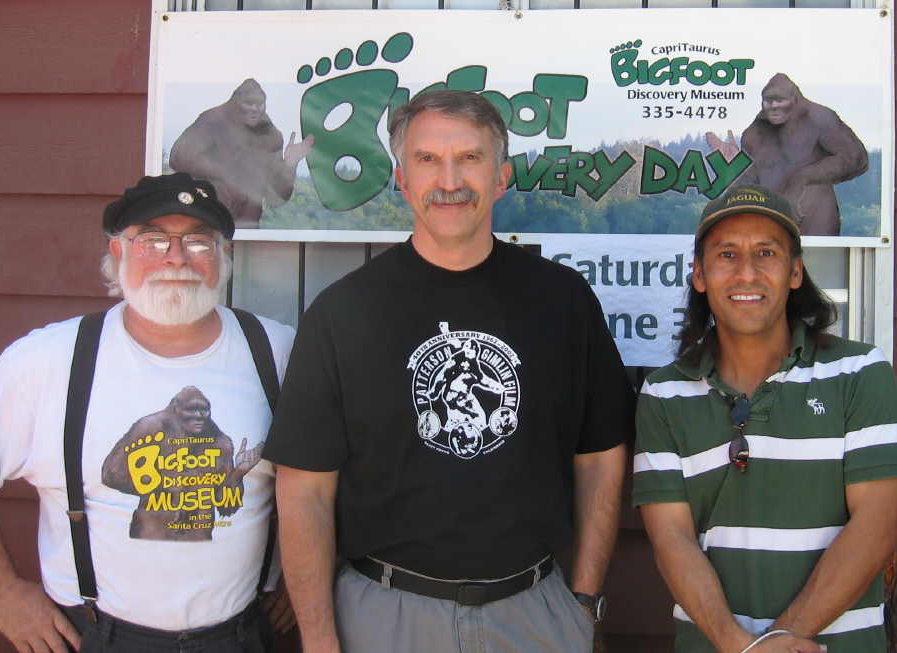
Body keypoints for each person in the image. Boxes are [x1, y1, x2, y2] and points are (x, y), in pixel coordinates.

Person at [264, 90, 634, 653]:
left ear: (501, 176)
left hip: (535, 613)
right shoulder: (342, 312)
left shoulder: (563, 300)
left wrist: (583, 601)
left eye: (469, 158)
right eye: (427, 160)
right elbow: (304, 490)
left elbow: (602, 457)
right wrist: (319, 638)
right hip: (384, 615)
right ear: (401, 179)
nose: (449, 181)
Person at [0, 173, 297, 652]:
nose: (176, 257)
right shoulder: (49, 359)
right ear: (118, 251)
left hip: (242, 635)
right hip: (94, 635)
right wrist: (0, 590)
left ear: (224, 255)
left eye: (198, 241)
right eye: (152, 240)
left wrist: (304, 577)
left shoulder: (278, 352)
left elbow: (328, 478)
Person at [632, 183, 897, 652]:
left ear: (795, 271)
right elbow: (672, 539)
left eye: (766, 253)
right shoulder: (664, 393)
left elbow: (877, 526)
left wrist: (783, 638)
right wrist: (738, 644)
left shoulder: (860, 372)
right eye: (727, 255)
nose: (747, 273)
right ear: (699, 274)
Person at [708, 73, 869, 236]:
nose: (773, 106)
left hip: (814, 222)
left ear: (795, 100)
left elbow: (856, 158)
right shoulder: (754, 133)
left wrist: (803, 177)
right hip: (770, 226)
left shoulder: (818, 118)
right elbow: (750, 181)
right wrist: (732, 170)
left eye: (780, 101)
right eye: (768, 101)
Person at [170, 78, 314, 228]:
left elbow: (276, 199)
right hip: (210, 223)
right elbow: (178, 157)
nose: (255, 109)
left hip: (247, 228)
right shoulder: (213, 120)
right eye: (248, 103)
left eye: (260, 104)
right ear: (234, 103)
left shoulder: (270, 135)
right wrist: (225, 174)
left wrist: (290, 165)